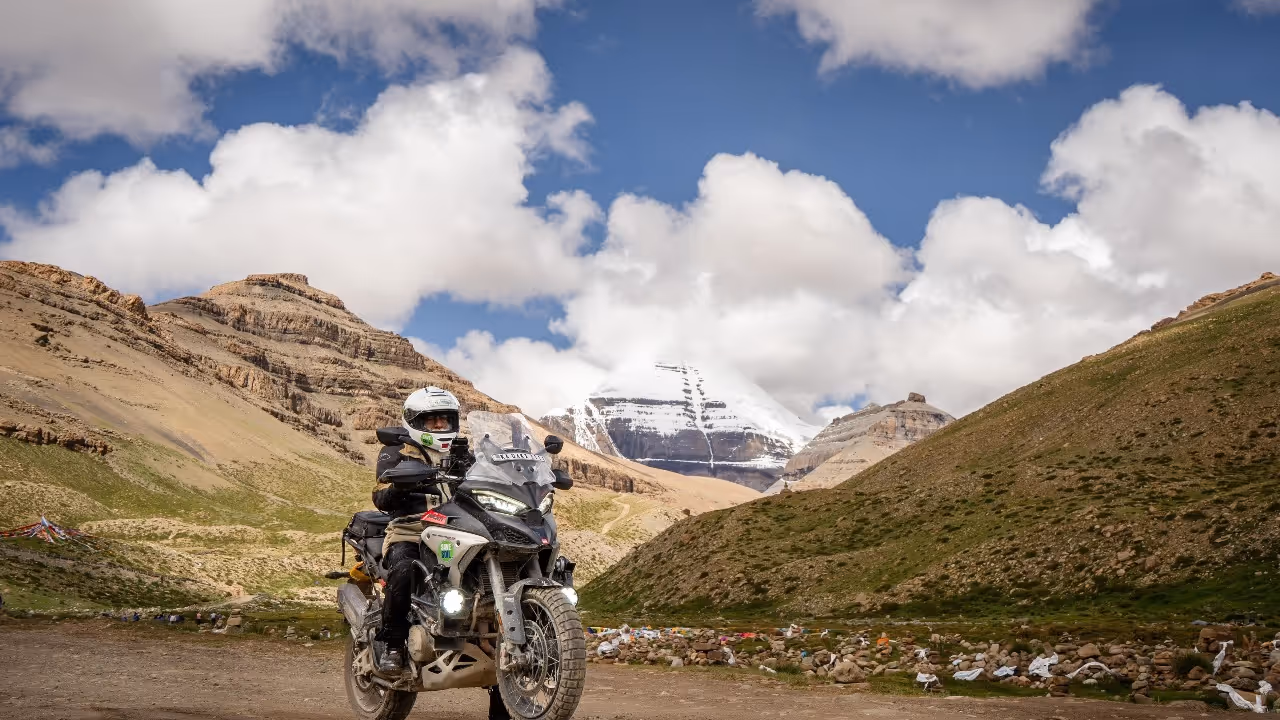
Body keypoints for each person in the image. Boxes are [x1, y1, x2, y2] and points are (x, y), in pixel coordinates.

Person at [371, 386, 468, 674]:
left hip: (459, 531)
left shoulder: (463, 453)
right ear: (415, 421)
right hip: (411, 531)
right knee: (404, 569)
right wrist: (402, 485)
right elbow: (380, 498)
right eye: (431, 420)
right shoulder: (397, 452)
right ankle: (393, 645)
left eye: (444, 419)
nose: (439, 425)